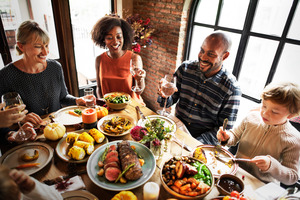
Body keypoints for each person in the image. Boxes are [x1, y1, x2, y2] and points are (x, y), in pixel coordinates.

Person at [158, 31, 241, 145]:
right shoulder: (185, 68)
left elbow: (223, 131)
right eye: (202, 50)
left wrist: (191, 143)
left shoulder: (232, 89)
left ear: (225, 56)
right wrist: (164, 95)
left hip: (202, 143)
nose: (203, 57)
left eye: (211, 54)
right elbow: (166, 104)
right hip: (175, 130)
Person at [0, 20, 86, 124]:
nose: (45, 52)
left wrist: (77, 100)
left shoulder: (55, 67)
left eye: (46, 45)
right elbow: (4, 117)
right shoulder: (5, 75)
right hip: (30, 133)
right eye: (38, 46)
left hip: (58, 128)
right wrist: (21, 119)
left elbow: (63, 97)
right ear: (21, 46)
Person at [217, 82, 300, 185]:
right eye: (264, 106)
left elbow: (292, 178)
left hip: (261, 184)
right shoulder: (251, 117)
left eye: (274, 112)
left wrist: (271, 165)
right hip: (235, 172)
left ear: (290, 115)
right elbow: (234, 136)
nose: (265, 113)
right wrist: (227, 137)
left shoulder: (294, 140)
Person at [91, 15, 146, 105]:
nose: (115, 41)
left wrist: (140, 79)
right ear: (103, 39)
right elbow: (99, 88)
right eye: (109, 38)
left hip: (131, 107)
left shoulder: (134, 58)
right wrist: (102, 103)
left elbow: (139, 92)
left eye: (119, 37)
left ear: (124, 37)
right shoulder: (99, 59)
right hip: (110, 108)